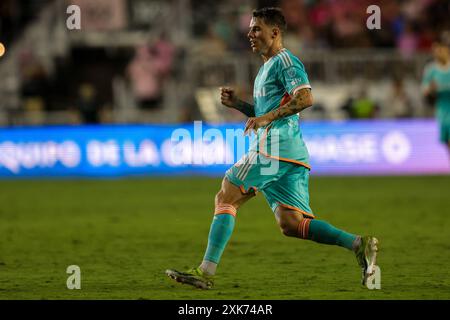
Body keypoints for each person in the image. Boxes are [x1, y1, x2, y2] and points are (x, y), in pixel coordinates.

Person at [166, 7, 378, 289]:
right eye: (251, 29)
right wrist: (240, 105)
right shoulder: (266, 68)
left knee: (226, 195)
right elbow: (267, 110)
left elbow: (305, 98)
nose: (250, 34)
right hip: (288, 153)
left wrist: (265, 117)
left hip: (274, 147)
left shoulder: (286, 62)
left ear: (275, 32)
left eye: (256, 29)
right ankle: (358, 244)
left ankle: (205, 271)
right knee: (291, 224)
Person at [422, 32, 450, 158]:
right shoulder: (431, 69)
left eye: (439, 49)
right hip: (441, 108)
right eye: (434, 50)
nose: (436, 52)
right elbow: (425, 91)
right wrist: (431, 89)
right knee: (446, 140)